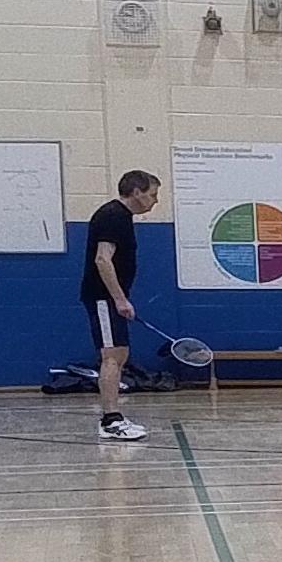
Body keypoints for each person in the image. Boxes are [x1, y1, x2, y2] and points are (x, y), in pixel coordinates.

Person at [79, 167, 160, 443]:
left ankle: (113, 417)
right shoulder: (113, 216)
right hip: (104, 298)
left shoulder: (121, 217)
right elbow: (102, 259)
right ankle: (111, 420)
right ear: (136, 192)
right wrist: (119, 299)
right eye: (152, 195)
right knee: (111, 356)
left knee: (120, 354)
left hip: (110, 298)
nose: (155, 201)